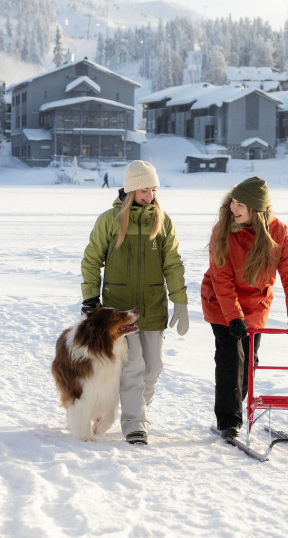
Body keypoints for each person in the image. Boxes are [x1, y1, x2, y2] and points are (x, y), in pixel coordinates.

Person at [80, 160, 188, 445]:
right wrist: (90, 298)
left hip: (152, 307)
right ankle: (135, 424)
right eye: (143, 190)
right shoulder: (110, 220)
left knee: (153, 368)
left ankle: (137, 403)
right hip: (120, 313)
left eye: (152, 189)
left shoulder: (162, 221)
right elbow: (92, 260)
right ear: (130, 191)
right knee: (133, 367)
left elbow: (173, 263)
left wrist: (180, 301)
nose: (149, 196)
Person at [200, 176, 288, 440]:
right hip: (221, 303)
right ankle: (229, 421)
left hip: (255, 306)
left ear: (256, 210)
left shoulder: (279, 232)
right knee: (231, 360)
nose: (233, 209)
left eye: (240, 205)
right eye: (233, 202)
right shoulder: (223, 231)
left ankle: (235, 408)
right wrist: (234, 317)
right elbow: (222, 279)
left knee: (250, 362)